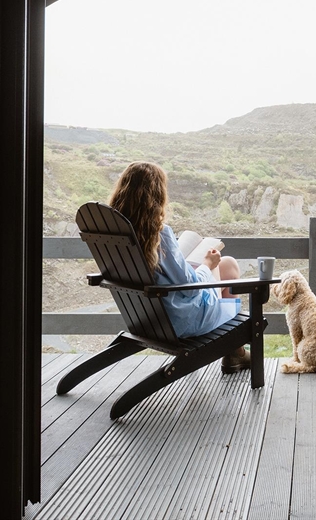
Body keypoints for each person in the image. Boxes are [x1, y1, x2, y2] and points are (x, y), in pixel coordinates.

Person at [107, 160, 250, 373]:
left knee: (226, 265)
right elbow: (188, 285)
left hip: (144, 317)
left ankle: (235, 352)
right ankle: (235, 352)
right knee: (228, 265)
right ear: (157, 196)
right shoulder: (157, 234)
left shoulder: (115, 234)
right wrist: (207, 264)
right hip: (178, 322)